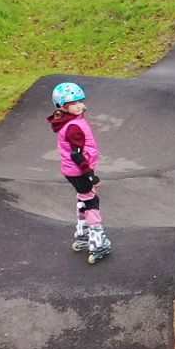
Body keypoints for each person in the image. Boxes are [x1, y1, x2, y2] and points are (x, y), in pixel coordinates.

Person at [48, 81, 113, 263]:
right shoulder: (74, 127)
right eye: (73, 104)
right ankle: (98, 242)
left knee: (83, 200)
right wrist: (91, 175)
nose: (79, 106)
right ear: (63, 107)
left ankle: (83, 235)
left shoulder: (69, 121)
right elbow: (76, 155)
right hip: (79, 170)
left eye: (80, 102)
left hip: (71, 171)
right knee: (91, 201)